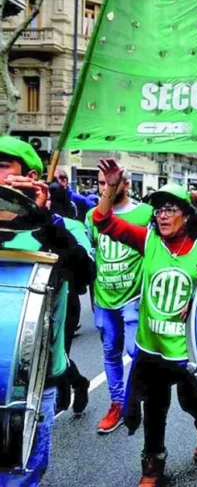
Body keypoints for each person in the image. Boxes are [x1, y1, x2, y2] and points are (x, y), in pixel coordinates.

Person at [91, 159, 197, 487]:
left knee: (191, 401)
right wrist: (110, 187)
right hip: (151, 348)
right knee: (154, 408)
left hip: (185, 351)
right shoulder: (148, 241)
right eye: (158, 209)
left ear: (187, 216)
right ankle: (152, 468)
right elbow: (103, 221)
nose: (162, 215)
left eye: (170, 209)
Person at [0, 137, 94, 487]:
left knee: (20, 475)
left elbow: (85, 275)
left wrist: (42, 219)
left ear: (33, 176)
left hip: (34, 382)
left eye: (3, 166)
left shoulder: (63, 229)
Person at [85, 168, 153, 434]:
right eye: (101, 183)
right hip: (104, 296)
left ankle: (137, 399)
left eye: (111, 183)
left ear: (125, 184)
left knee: (133, 351)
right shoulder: (93, 216)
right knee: (110, 352)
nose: (106, 188)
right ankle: (117, 404)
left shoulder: (145, 214)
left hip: (134, 297)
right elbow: (94, 250)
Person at [47, 181, 93, 416]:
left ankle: (68, 392)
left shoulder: (71, 226)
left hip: (64, 298)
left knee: (56, 354)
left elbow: (87, 263)